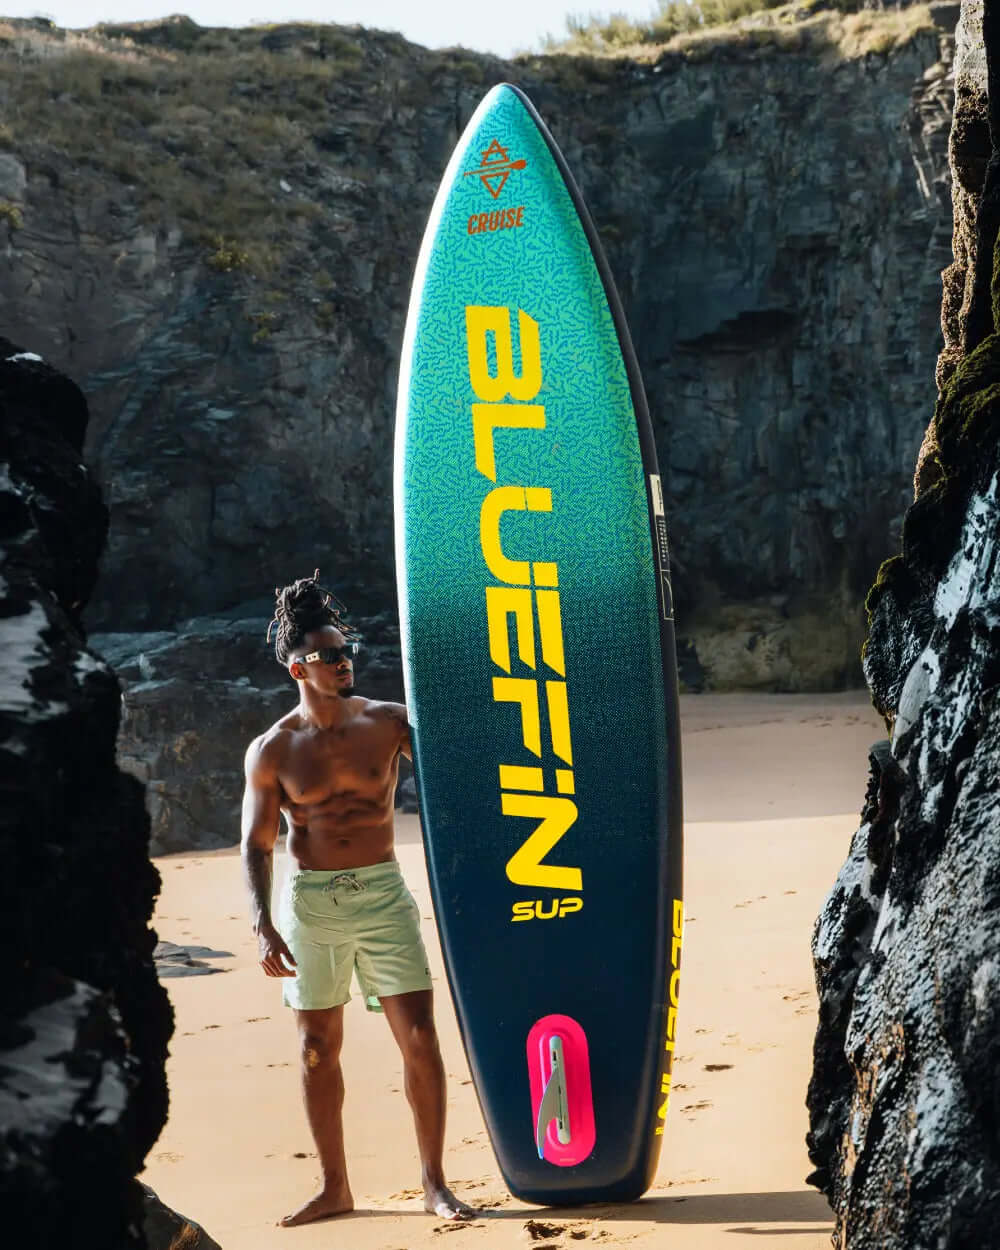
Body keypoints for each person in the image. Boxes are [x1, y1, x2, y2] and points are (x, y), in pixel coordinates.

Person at [240, 571, 471, 1228]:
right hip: (311, 905)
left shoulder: (390, 723)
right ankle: (334, 1187)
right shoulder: (274, 750)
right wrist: (262, 922)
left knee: (420, 1038)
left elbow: (460, 775)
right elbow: (256, 844)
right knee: (317, 1048)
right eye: (328, 656)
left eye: (346, 653)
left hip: (382, 893)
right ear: (297, 668)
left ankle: (435, 1183)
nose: (344, 663)